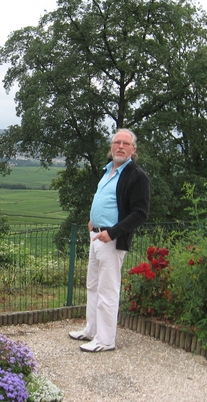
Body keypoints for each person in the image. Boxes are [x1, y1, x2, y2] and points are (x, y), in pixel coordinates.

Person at [69, 128, 150, 352]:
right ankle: (92, 330)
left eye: (125, 143)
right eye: (117, 142)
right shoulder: (108, 171)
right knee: (93, 285)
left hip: (111, 240)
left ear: (133, 150)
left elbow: (140, 213)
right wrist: (92, 221)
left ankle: (105, 340)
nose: (120, 146)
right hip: (96, 235)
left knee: (108, 289)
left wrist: (113, 232)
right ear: (111, 147)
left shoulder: (136, 176)